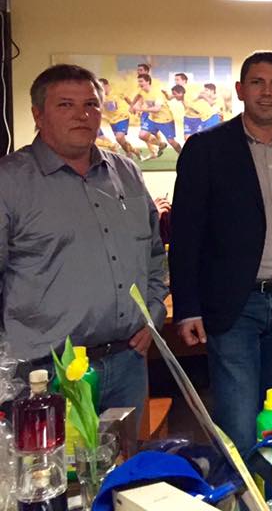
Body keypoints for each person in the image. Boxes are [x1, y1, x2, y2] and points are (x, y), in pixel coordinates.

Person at [169, 51, 272, 454]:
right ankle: (241, 487)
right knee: (239, 421)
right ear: (241, 90)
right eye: (257, 82)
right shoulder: (206, 149)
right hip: (235, 304)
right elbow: (186, 233)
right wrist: (187, 307)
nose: (267, 92)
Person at [0, 65, 167, 425]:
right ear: (38, 115)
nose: (82, 115)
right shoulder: (9, 181)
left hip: (126, 362)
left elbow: (154, 254)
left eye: (91, 104)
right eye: (66, 105)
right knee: (54, 463)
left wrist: (153, 313)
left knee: (124, 461)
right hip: (45, 374)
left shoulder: (127, 173)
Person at [132, 73, 180, 156]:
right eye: (138, 81)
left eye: (141, 81)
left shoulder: (157, 92)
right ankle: (161, 144)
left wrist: (141, 109)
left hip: (165, 120)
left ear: (148, 82)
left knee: (171, 141)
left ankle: (183, 155)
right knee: (142, 135)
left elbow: (157, 109)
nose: (139, 83)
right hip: (152, 119)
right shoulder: (142, 92)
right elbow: (139, 100)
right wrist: (134, 107)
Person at [99, 78, 138, 160]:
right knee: (121, 140)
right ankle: (133, 150)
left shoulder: (117, 92)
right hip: (112, 121)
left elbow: (126, 98)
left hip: (122, 117)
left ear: (107, 86)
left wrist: (132, 106)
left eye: (101, 86)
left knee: (119, 137)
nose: (100, 88)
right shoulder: (100, 97)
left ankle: (129, 153)